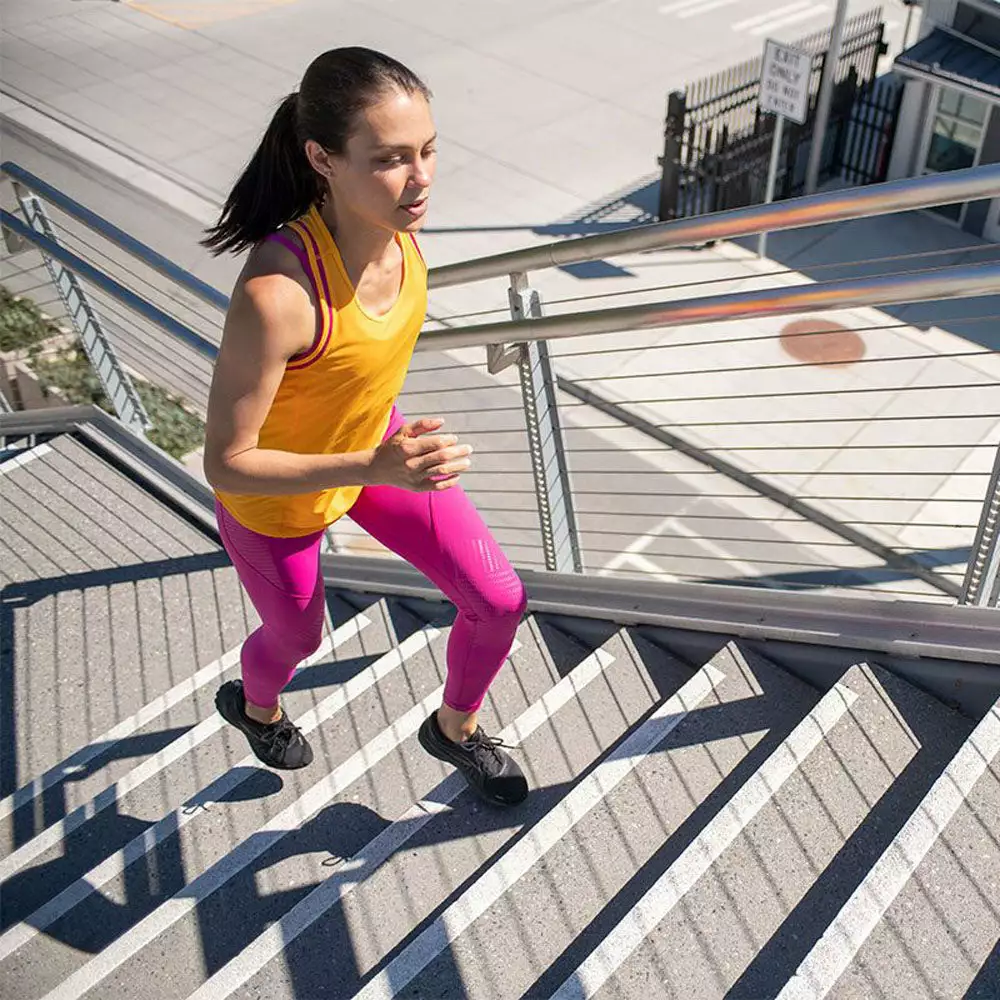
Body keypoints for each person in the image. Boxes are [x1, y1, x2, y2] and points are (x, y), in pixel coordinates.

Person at [201, 47, 528, 807]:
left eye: (428, 151)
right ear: (323, 157)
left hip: (374, 457)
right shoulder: (277, 293)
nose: (421, 180)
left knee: (501, 599)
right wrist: (373, 466)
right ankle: (254, 708)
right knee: (297, 640)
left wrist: (384, 459)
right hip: (275, 503)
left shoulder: (404, 240)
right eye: (390, 160)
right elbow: (227, 463)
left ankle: (455, 729)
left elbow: (354, 375)